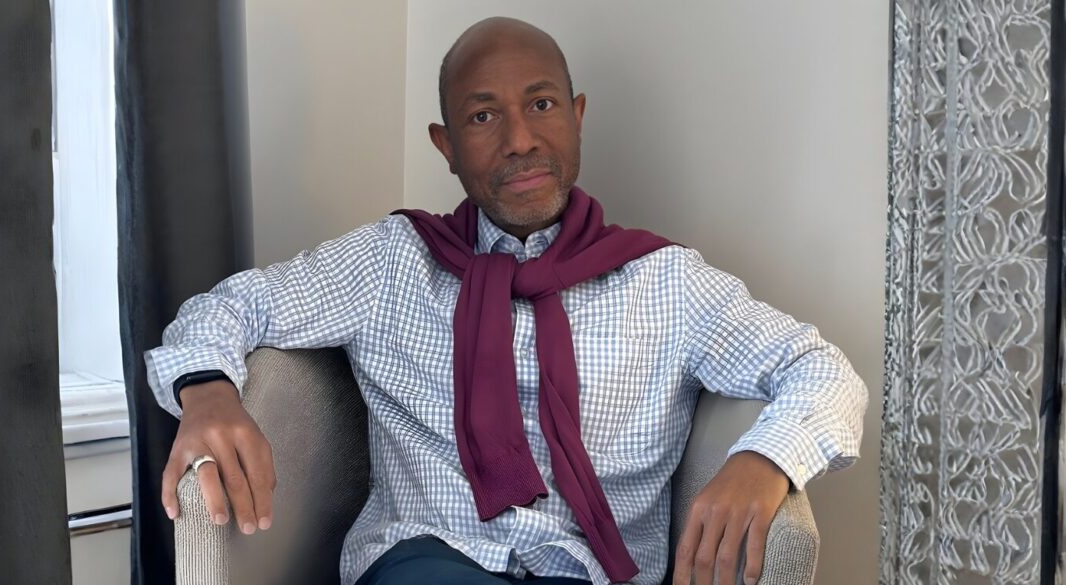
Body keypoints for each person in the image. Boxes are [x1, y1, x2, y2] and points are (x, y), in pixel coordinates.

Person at [145, 16, 867, 585]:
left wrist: (763, 459)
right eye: (484, 117)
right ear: (447, 145)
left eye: (542, 105)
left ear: (576, 116)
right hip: (426, 560)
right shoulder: (391, 262)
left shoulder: (667, 283)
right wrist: (206, 391)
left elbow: (823, 370)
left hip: (587, 569)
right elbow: (229, 306)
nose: (520, 140)